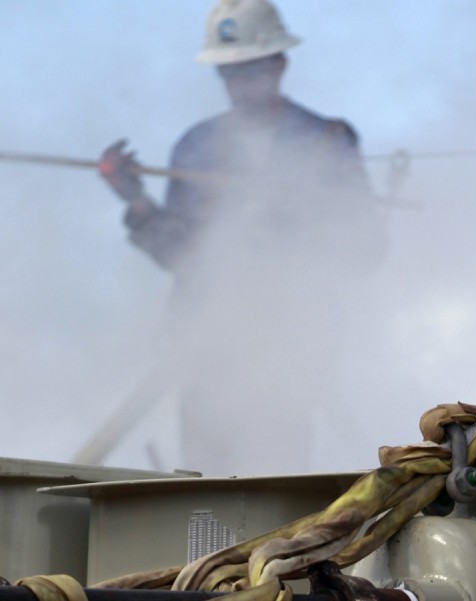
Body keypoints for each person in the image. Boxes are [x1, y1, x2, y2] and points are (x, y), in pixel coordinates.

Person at [98, 0, 387, 476]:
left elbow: (365, 249)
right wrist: (136, 201)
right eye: (229, 74)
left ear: (279, 63)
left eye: (250, 70)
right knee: (203, 499)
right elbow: (182, 255)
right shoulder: (195, 148)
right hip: (206, 349)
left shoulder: (326, 142)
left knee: (274, 488)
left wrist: (299, 223)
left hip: (288, 351)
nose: (240, 85)